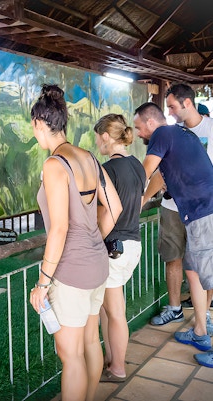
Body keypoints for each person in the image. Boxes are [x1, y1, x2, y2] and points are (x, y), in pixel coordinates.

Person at [29, 84, 122, 401]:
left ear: (41, 124)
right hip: (97, 266)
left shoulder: (54, 165)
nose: (35, 136)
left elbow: (59, 229)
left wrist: (42, 283)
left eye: (35, 129)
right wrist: (94, 238)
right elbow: (116, 207)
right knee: (88, 344)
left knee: (70, 357)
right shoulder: (89, 158)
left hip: (70, 273)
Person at [134, 101, 213, 368]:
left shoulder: (163, 134)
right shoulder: (180, 135)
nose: (137, 133)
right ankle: (200, 331)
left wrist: (122, 197)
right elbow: (160, 176)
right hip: (196, 214)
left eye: (138, 127)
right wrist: (143, 198)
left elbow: (144, 170)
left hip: (204, 214)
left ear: (151, 123)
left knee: (207, 276)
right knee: (193, 272)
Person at [94, 114, 146, 382]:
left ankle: (118, 369)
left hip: (114, 246)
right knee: (108, 309)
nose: (96, 144)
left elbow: (107, 211)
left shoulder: (107, 169)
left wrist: (94, 240)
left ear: (105, 137)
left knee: (115, 313)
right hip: (132, 244)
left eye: (97, 138)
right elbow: (137, 201)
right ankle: (109, 359)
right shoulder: (137, 164)